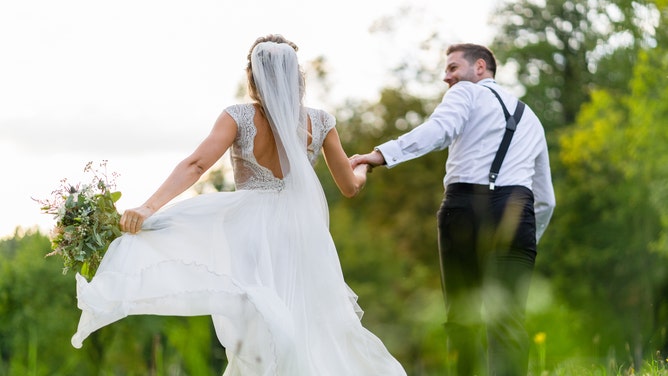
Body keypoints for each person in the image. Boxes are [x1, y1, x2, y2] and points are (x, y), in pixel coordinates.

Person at [71, 34, 407, 376]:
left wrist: (148, 207)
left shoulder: (239, 117)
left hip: (250, 231)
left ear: (252, 77)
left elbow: (197, 165)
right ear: (298, 78)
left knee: (257, 328)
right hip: (303, 236)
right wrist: (364, 164)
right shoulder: (320, 122)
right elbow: (350, 187)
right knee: (312, 325)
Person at [350, 43, 556, 375]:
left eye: (452, 68)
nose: (447, 77)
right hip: (518, 215)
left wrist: (380, 155)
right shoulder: (531, 118)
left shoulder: (466, 94)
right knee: (509, 321)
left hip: (465, 209)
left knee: (461, 318)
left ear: (480, 68)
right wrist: (526, 240)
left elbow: (438, 130)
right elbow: (546, 198)